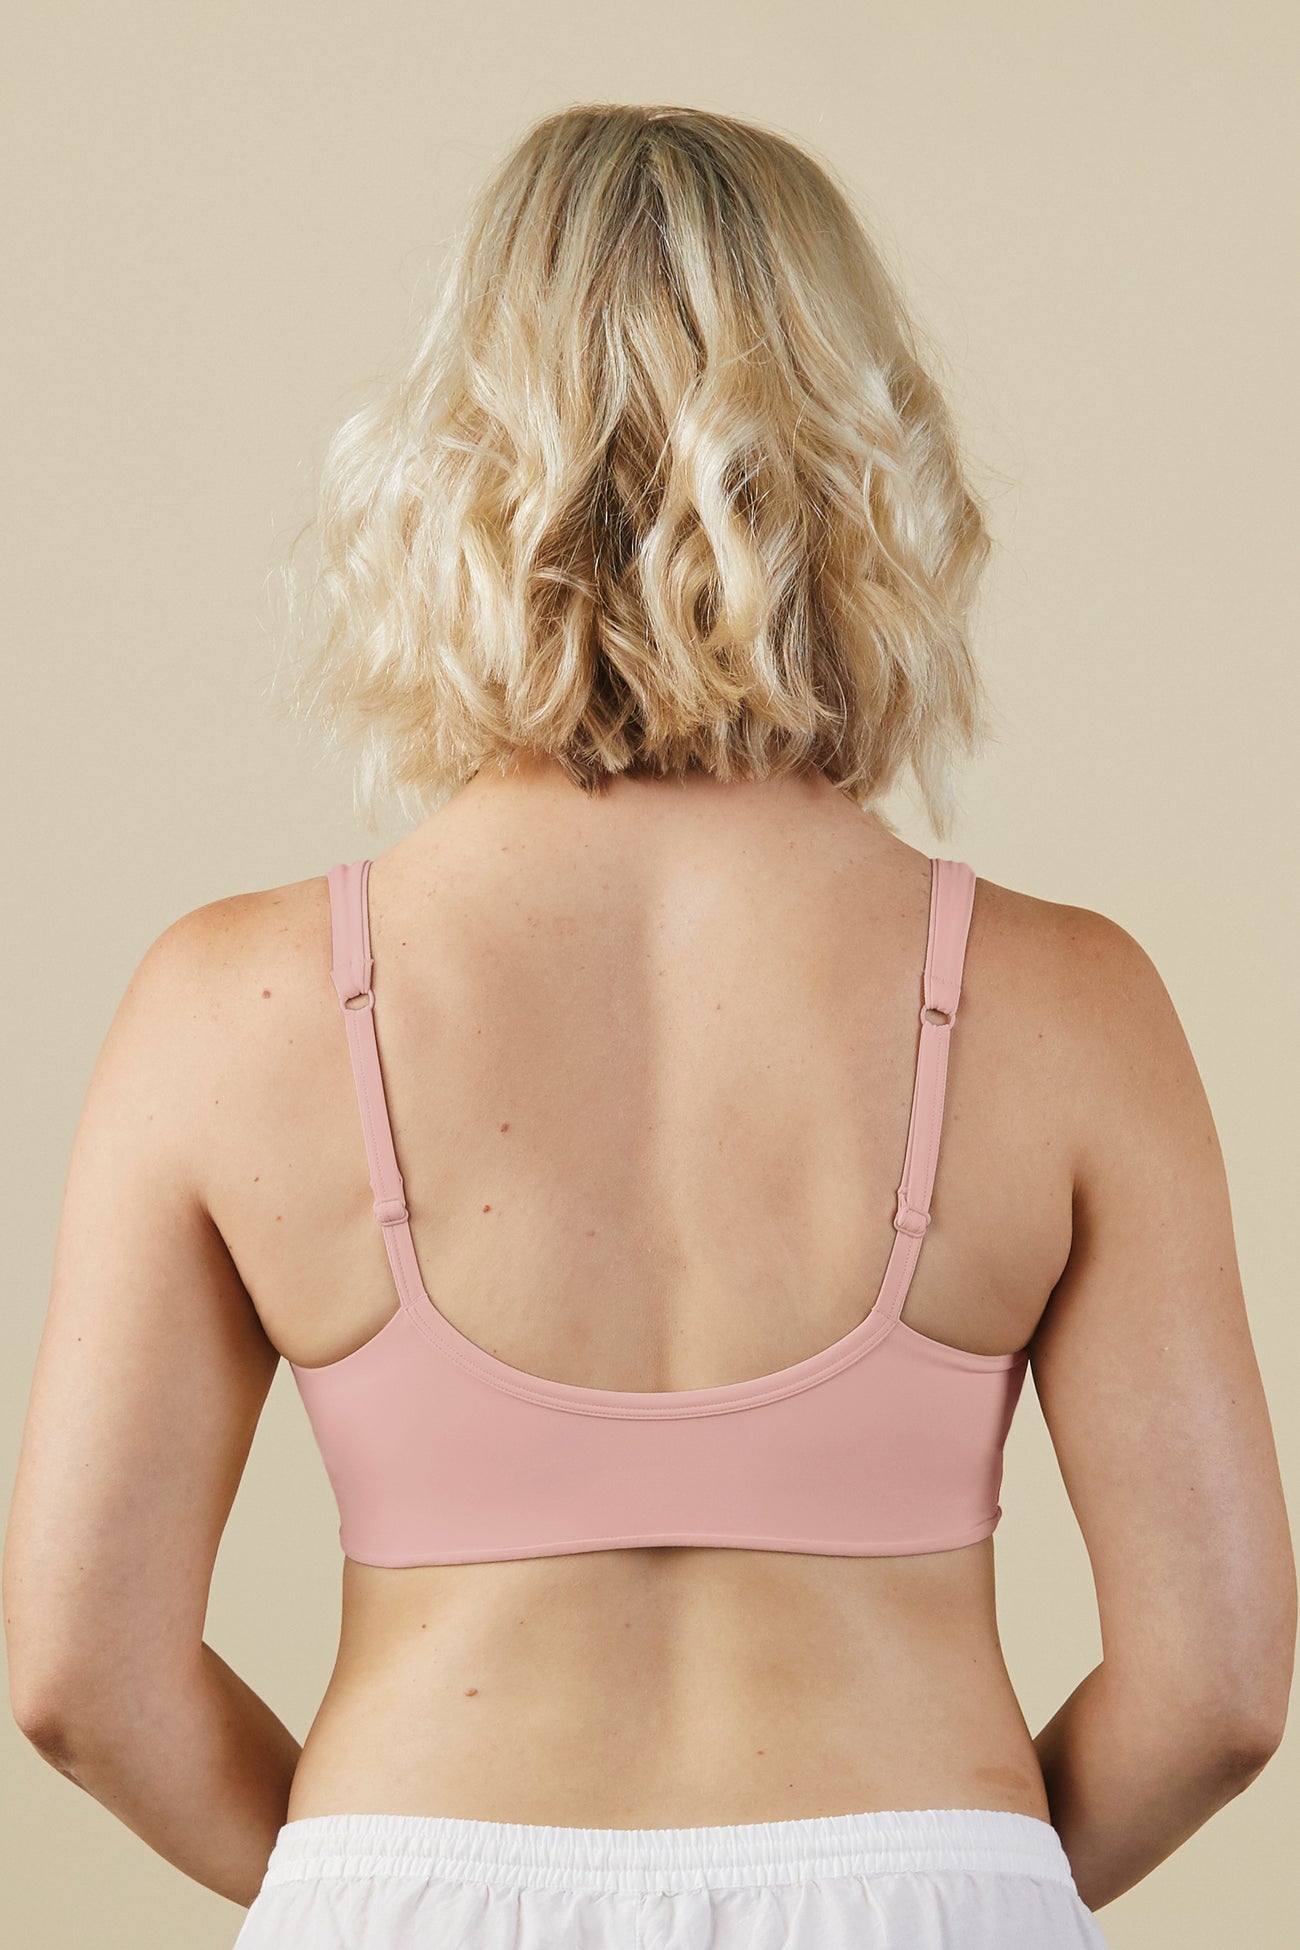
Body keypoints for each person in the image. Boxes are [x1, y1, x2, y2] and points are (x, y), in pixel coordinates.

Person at [6, 102, 1293, 1950]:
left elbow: (79, 1669)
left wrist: (375, 1878)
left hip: (411, 1881)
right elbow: (1222, 1683)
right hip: (924, 1880)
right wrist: (964, 1878)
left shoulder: (233, 1003)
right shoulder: (1070, 1003)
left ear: (454, 464)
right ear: (864, 469)